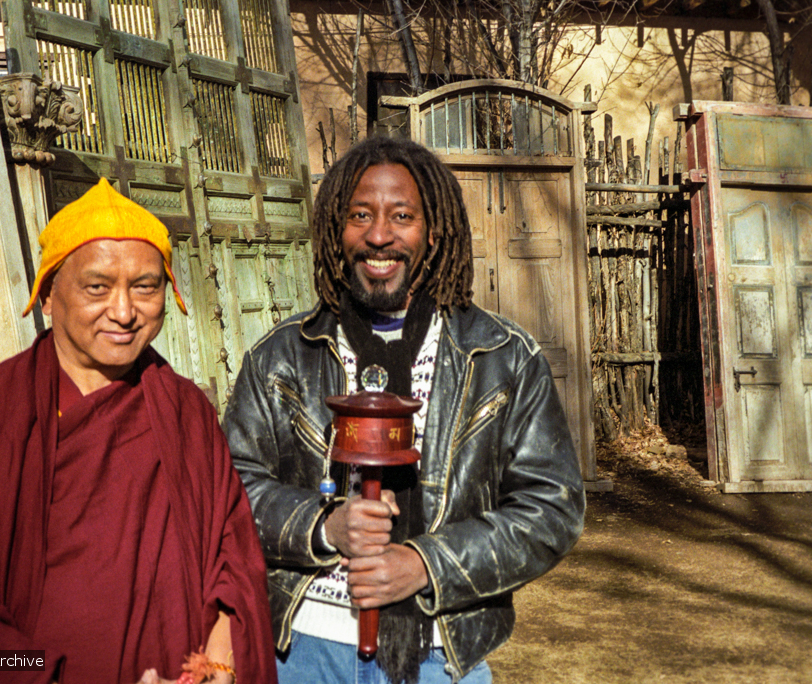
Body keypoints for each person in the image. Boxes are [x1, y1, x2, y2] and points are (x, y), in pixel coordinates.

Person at [222, 136, 585, 684]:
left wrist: (423, 563)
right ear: (335, 231)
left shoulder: (502, 358)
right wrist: (324, 526)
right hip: (305, 650)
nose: (379, 235)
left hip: (442, 656)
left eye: (402, 216)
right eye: (360, 215)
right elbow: (230, 489)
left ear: (433, 231)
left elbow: (551, 507)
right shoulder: (281, 358)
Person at [0, 178, 277, 684]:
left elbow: (235, 568)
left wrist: (220, 667)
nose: (123, 312)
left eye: (145, 286)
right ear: (48, 295)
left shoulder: (186, 412)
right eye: (97, 287)